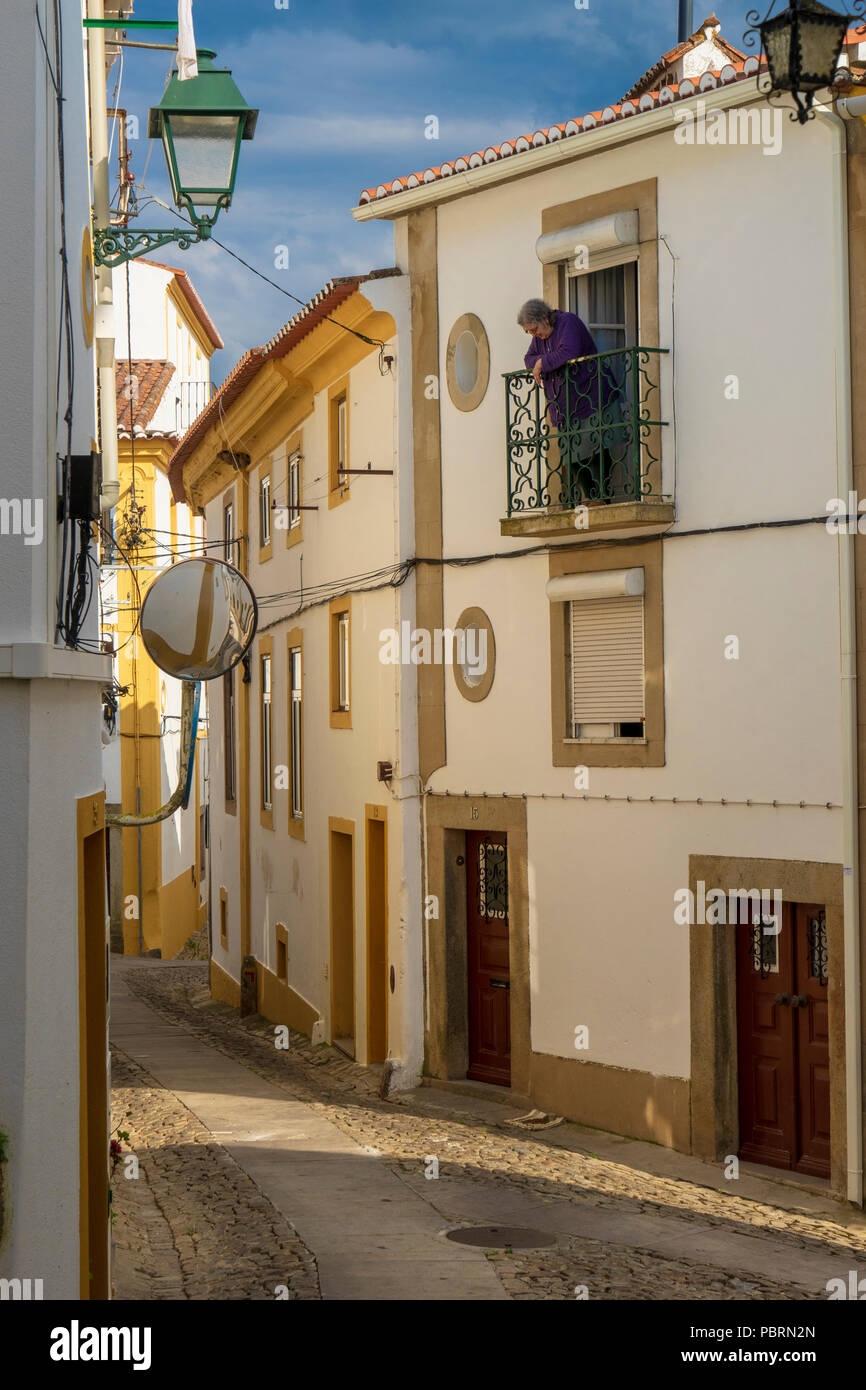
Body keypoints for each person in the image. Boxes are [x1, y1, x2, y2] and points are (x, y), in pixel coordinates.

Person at [518, 298, 620, 504]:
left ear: (545, 317)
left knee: (596, 446)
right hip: (564, 406)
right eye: (529, 332)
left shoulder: (567, 322)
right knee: (571, 455)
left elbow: (568, 351)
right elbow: (528, 359)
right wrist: (538, 362)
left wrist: (541, 363)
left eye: (534, 329)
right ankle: (589, 497)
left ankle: (601, 496)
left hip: (590, 395)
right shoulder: (540, 337)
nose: (533, 335)